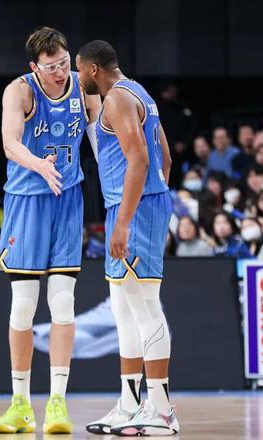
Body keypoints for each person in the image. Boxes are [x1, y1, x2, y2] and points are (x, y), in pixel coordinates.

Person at [0, 27, 101, 435]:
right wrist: (38, 164)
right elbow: (9, 142)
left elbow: (98, 137)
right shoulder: (20, 91)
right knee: (23, 305)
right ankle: (20, 403)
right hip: (26, 200)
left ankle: (57, 402)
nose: (59, 72)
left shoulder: (84, 87)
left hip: (67, 200)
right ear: (34, 67)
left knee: (64, 301)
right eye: (51, 67)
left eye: (64, 63)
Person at [76, 40, 179, 435]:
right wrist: (154, 197)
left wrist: (125, 221)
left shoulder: (118, 99)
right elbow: (165, 159)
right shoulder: (139, 92)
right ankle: (130, 404)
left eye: (80, 70)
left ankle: (162, 410)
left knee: (146, 306)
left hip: (132, 210)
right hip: (137, 205)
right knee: (122, 307)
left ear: (94, 69)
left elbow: (141, 160)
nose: (79, 78)